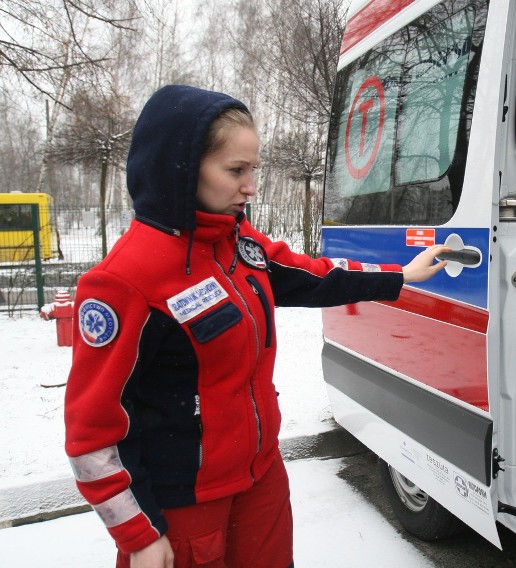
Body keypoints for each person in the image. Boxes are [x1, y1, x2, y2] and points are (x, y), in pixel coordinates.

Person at [64, 84, 449, 568]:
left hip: (260, 481)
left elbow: (312, 277)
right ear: (182, 170)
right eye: (235, 171)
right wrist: (136, 533)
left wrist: (401, 276)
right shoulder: (124, 282)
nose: (250, 186)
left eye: (253, 170)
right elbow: (92, 432)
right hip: (186, 506)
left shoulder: (238, 241)